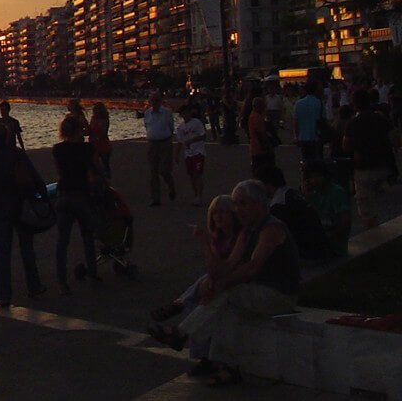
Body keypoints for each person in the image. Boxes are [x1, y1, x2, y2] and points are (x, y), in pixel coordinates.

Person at [169, 179, 301, 387]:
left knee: (228, 293)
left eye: (243, 204)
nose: (238, 209)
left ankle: (181, 333)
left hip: (279, 295)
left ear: (260, 204)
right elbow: (229, 264)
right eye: (236, 204)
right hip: (257, 293)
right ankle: (226, 368)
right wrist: (211, 272)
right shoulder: (248, 231)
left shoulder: (271, 228)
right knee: (227, 310)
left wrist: (221, 285)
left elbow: (252, 267)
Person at [148, 195, 242, 368]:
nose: (218, 217)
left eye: (223, 213)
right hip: (219, 281)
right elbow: (213, 269)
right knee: (198, 302)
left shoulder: (239, 238)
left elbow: (223, 269)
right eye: (215, 213)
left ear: (233, 215)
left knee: (203, 293)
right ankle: (201, 357)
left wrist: (206, 243)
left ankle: (179, 305)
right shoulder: (218, 238)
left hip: (235, 282)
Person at [0, 125, 47, 308]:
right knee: (27, 249)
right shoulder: (17, 154)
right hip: (21, 205)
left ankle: (4, 295)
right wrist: (42, 200)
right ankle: (34, 286)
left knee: (3, 253)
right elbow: (37, 180)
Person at [52, 115, 104, 293]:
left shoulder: (57, 149)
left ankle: (61, 281)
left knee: (62, 241)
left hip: (64, 193)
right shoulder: (88, 149)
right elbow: (97, 169)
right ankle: (93, 275)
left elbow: (60, 172)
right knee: (88, 237)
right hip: (82, 193)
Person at [343, 88, 398, 228]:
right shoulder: (381, 118)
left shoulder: (353, 123)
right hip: (384, 164)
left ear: (354, 104)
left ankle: (375, 236)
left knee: (366, 209)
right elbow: (395, 140)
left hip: (364, 167)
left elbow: (346, 146)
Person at [303, 161, 350, 258]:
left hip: (334, 245)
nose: (314, 181)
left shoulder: (337, 192)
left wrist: (325, 237)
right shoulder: (313, 194)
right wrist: (306, 196)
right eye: (311, 178)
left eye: (317, 176)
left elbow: (344, 222)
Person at [138, 91, 177, 206]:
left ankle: (171, 185)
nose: (154, 103)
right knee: (153, 172)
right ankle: (155, 198)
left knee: (164, 170)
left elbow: (171, 127)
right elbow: (147, 126)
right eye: (152, 100)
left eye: (156, 100)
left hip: (165, 142)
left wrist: (166, 138)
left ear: (160, 101)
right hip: (152, 143)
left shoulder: (166, 113)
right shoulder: (147, 113)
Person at [174, 101, 207, 207]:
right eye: (184, 113)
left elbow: (203, 136)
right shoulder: (180, 128)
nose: (186, 115)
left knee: (198, 174)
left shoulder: (196, 123)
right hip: (188, 154)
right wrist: (176, 154)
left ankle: (199, 196)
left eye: (187, 112)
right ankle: (195, 195)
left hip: (198, 152)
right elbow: (180, 142)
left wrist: (191, 141)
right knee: (192, 175)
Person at [292, 81, 324, 164]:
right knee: (317, 161)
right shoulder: (319, 102)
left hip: (303, 136)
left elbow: (296, 121)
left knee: (306, 160)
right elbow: (323, 119)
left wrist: (296, 136)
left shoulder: (298, 103)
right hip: (316, 136)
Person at [247, 96, 274, 172]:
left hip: (254, 146)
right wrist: (267, 145)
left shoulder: (252, 115)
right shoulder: (257, 117)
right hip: (259, 148)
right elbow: (260, 133)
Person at [88, 102, 112, 178]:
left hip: (102, 143)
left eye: (96, 109)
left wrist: (97, 136)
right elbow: (89, 129)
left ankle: (107, 179)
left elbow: (104, 132)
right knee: (93, 163)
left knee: (105, 163)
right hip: (93, 143)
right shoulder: (93, 118)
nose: (94, 111)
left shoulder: (104, 119)